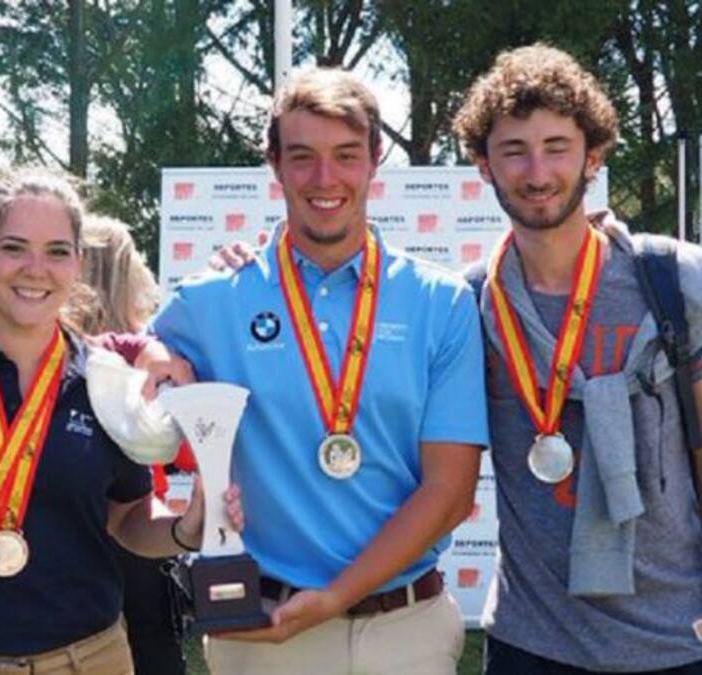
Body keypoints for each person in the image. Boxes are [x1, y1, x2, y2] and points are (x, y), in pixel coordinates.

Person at [150, 67, 489, 674]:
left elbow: (450, 491)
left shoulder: (442, 303)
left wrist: (336, 596)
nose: (325, 179)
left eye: (346, 155)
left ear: (375, 159)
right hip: (262, 628)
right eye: (302, 157)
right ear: (274, 165)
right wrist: (150, 361)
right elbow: (123, 374)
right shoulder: (210, 300)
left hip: (405, 630)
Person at [0, 172, 240, 674]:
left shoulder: (106, 380)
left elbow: (127, 521)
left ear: (79, 265)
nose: (35, 269)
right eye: (15, 247)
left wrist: (187, 528)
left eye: (57, 251)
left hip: (86, 660)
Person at [452, 44, 702, 674]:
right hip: (531, 641)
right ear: (483, 164)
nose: (537, 172)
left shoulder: (675, 280)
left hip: (674, 638)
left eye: (557, 147)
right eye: (513, 150)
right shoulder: (471, 305)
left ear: (592, 155)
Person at [69, 214, 191, 675]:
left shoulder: (58, 357)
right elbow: (184, 453)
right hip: (140, 530)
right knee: (151, 646)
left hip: (80, 532)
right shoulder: (146, 355)